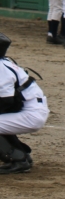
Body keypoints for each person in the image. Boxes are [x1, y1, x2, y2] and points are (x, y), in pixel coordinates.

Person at [0, 34, 49, 175]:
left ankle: (18, 160)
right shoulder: (4, 62)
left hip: (31, 114)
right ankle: (20, 154)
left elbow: (6, 101)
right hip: (29, 110)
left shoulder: (1, 67)